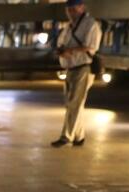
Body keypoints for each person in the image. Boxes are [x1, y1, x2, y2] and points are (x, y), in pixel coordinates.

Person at [51, 0, 99, 148]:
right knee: (72, 103)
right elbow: (61, 42)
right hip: (70, 68)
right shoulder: (68, 26)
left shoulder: (91, 24)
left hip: (83, 67)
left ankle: (66, 136)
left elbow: (91, 46)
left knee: (74, 103)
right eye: (68, 9)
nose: (71, 12)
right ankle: (79, 136)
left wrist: (70, 51)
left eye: (73, 8)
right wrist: (61, 51)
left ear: (82, 7)